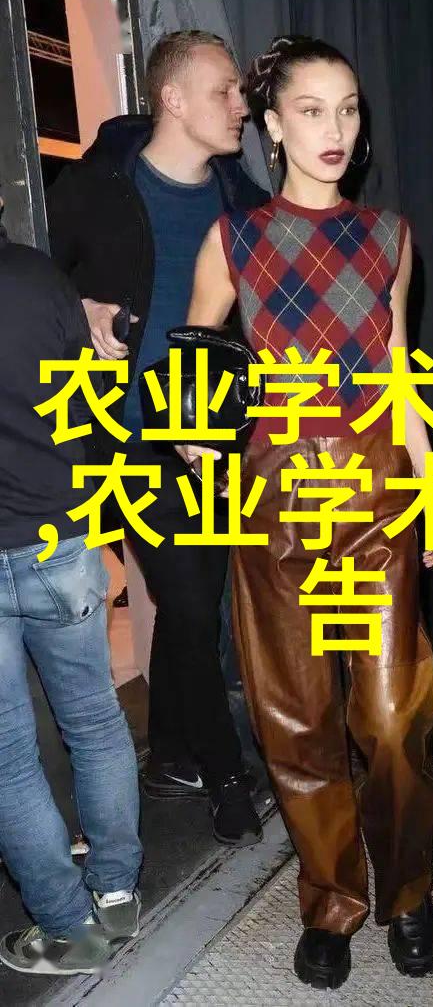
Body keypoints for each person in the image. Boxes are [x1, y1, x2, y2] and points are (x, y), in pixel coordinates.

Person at [185, 35, 433, 990]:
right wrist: (195, 434)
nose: (334, 129)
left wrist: (431, 485)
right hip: (277, 504)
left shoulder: (389, 237)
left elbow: (397, 370)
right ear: (271, 125)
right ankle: (332, 900)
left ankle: (407, 892)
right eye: (310, 110)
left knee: (392, 716)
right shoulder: (235, 241)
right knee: (296, 723)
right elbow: (197, 352)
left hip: (377, 493)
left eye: (347, 109)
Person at [46, 31, 269, 844]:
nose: (241, 106)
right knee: (188, 598)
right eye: (224, 91)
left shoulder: (241, 200)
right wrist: (81, 310)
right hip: (128, 440)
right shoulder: (97, 188)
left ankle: (173, 754)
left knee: (193, 602)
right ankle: (226, 777)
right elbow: (34, 278)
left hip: (211, 438)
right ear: (172, 99)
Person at [0, 202, 142, 976]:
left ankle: (67, 930)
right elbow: (88, 400)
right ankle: (116, 891)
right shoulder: (41, 278)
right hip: (61, 537)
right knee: (94, 721)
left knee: (7, 754)